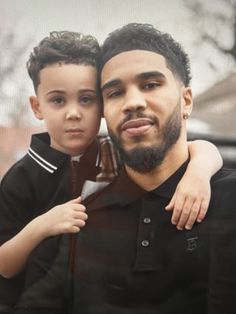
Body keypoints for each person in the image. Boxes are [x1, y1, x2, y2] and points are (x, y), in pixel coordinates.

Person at [0, 29, 222, 314]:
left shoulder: (113, 153)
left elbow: (200, 147)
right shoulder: (22, 178)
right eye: (58, 100)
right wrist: (42, 225)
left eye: (87, 99)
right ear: (37, 106)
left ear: (104, 105)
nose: (73, 113)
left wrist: (198, 175)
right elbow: (4, 266)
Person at [64, 23, 236, 313]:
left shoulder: (230, 200)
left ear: (186, 100)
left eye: (150, 85)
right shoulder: (80, 218)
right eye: (115, 92)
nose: (132, 102)